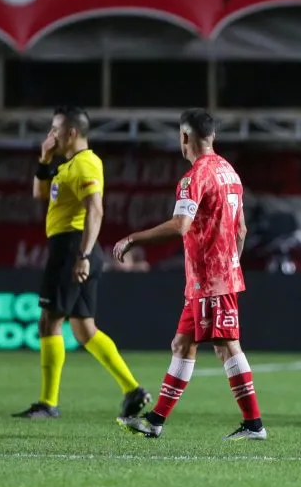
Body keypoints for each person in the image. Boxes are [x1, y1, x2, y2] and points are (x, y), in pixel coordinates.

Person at [114, 108, 267, 441]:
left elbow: (180, 225)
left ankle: (254, 424)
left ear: (184, 136)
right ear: (212, 136)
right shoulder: (230, 172)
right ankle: (155, 421)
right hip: (214, 277)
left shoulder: (194, 177)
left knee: (227, 346)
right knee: (182, 344)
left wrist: (133, 238)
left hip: (210, 278)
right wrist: (231, 265)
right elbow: (241, 230)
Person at [13, 106, 149, 421]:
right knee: (85, 329)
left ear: (71, 132)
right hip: (73, 249)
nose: (51, 134)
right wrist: (44, 159)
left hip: (72, 249)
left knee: (49, 322)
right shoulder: (66, 166)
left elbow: (95, 210)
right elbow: (40, 194)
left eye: (55, 129)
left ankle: (48, 403)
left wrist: (83, 255)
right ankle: (132, 389)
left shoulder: (86, 163)